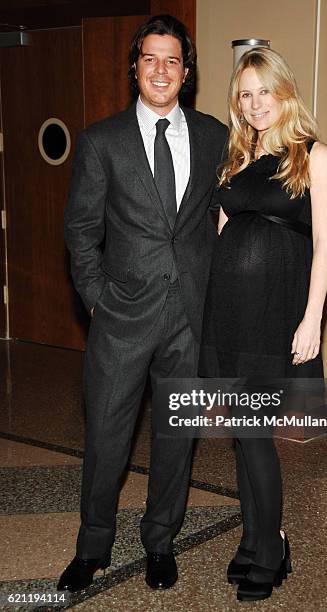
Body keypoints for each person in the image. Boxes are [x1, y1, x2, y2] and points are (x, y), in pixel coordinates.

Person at [58, 14, 227, 592]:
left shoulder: (213, 136)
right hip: (121, 316)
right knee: (107, 436)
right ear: (135, 68)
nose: (161, 70)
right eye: (150, 59)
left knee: (177, 436)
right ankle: (92, 547)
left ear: (187, 71)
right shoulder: (101, 141)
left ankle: (161, 541)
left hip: (190, 318)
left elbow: (212, 219)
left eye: (172, 60)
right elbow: (81, 230)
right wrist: (97, 299)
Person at [199, 47, 327, 602]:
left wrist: (313, 319)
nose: (255, 104)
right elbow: (224, 231)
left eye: (264, 92)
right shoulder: (236, 154)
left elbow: (326, 245)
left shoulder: (313, 155)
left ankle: (271, 544)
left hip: (276, 314)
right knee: (242, 433)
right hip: (229, 312)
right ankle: (255, 538)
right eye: (245, 94)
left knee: (256, 435)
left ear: (284, 92)